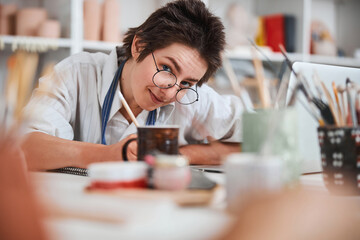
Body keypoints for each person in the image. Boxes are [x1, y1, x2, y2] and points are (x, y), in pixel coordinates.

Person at [21, 0, 244, 171]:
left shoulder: (189, 96)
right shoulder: (75, 73)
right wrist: (107, 155)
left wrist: (180, 154)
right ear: (139, 46)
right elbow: (24, 146)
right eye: (166, 68)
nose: (170, 91)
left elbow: (259, 142)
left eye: (186, 82)